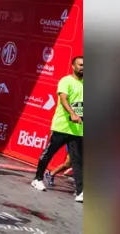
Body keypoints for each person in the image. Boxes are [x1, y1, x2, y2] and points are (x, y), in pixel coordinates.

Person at [31, 55, 84, 202]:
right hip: (62, 127)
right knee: (49, 153)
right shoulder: (66, 81)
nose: (83, 68)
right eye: (80, 65)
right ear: (73, 66)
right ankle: (37, 179)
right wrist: (72, 114)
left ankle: (80, 192)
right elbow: (63, 99)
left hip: (78, 130)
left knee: (77, 160)